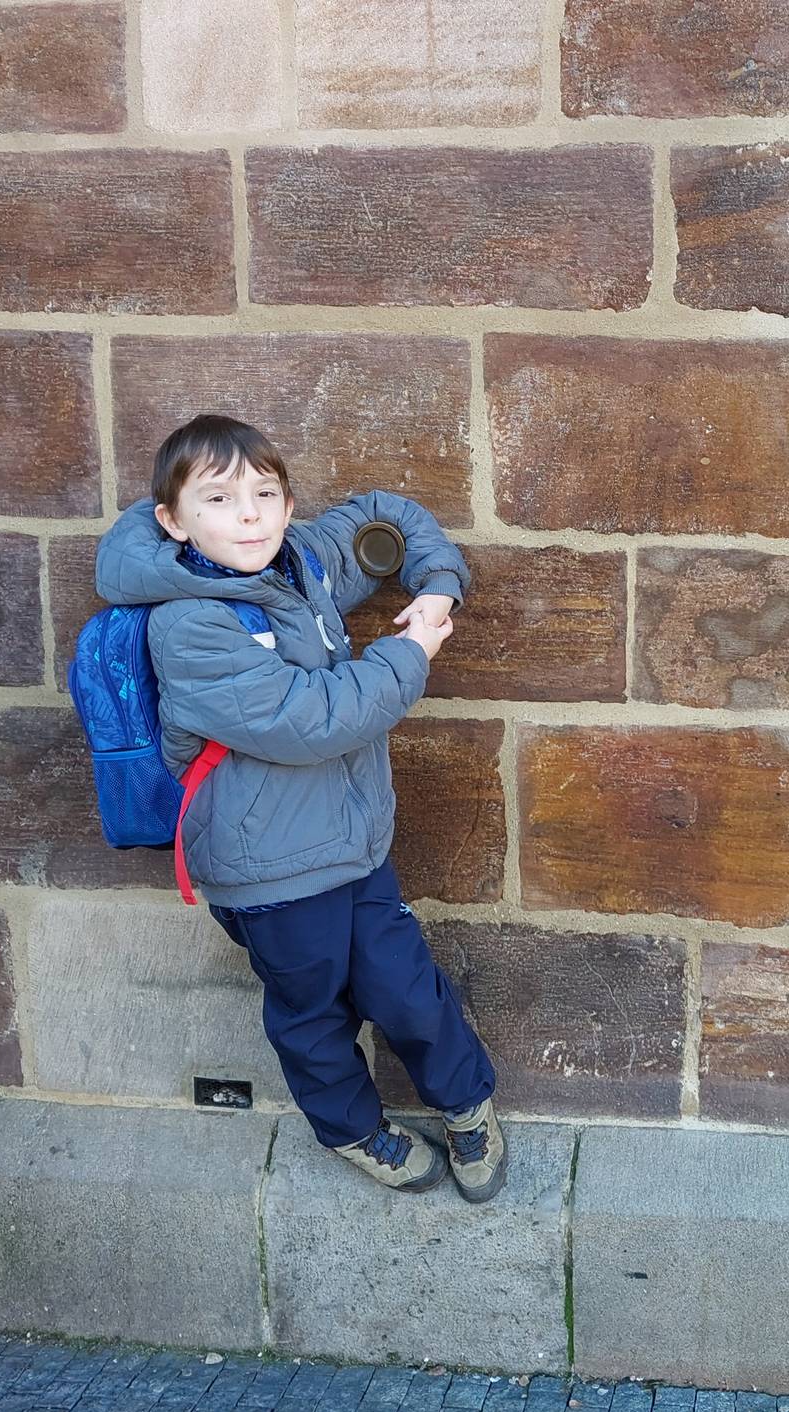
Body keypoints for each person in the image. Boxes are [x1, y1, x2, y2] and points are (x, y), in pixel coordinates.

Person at [95, 414, 506, 1202]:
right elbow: (313, 720)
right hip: (269, 869)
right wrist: (411, 652)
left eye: (264, 494)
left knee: (406, 989)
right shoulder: (189, 625)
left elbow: (387, 516)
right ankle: (354, 1130)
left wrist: (437, 586)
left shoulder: (298, 561)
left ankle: (466, 1104)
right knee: (312, 1014)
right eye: (219, 499)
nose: (249, 516)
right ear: (174, 521)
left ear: (288, 505)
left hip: (354, 845)